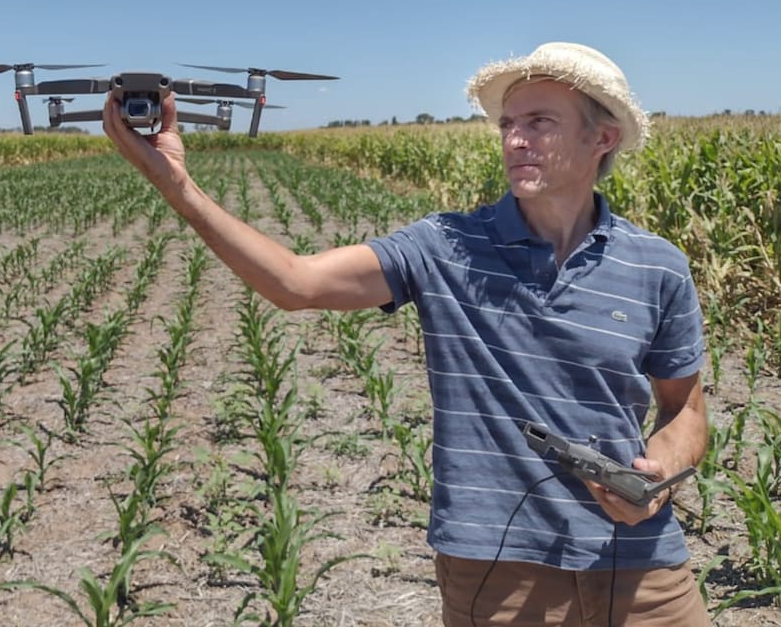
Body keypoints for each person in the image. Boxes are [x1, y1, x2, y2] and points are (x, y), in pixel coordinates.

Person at [102, 42, 710, 626]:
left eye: (540, 122)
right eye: (508, 123)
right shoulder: (445, 246)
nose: (515, 139)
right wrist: (177, 186)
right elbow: (296, 283)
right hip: (500, 571)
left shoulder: (657, 266)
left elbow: (684, 409)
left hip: (642, 566)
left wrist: (658, 471)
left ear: (602, 138)